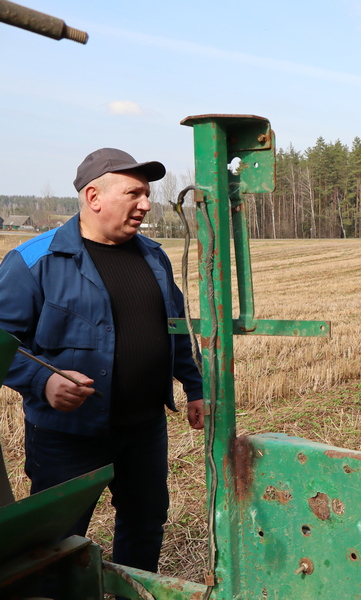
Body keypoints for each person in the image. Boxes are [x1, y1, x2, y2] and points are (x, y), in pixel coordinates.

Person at [0, 148, 204, 574]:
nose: (146, 205)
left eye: (147, 195)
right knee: (58, 540)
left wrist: (196, 386)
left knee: (145, 524)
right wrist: (42, 381)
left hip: (145, 428)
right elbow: (2, 342)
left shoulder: (154, 256)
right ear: (93, 197)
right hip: (66, 436)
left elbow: (176, 327)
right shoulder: (34, 261)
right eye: (134, 194)